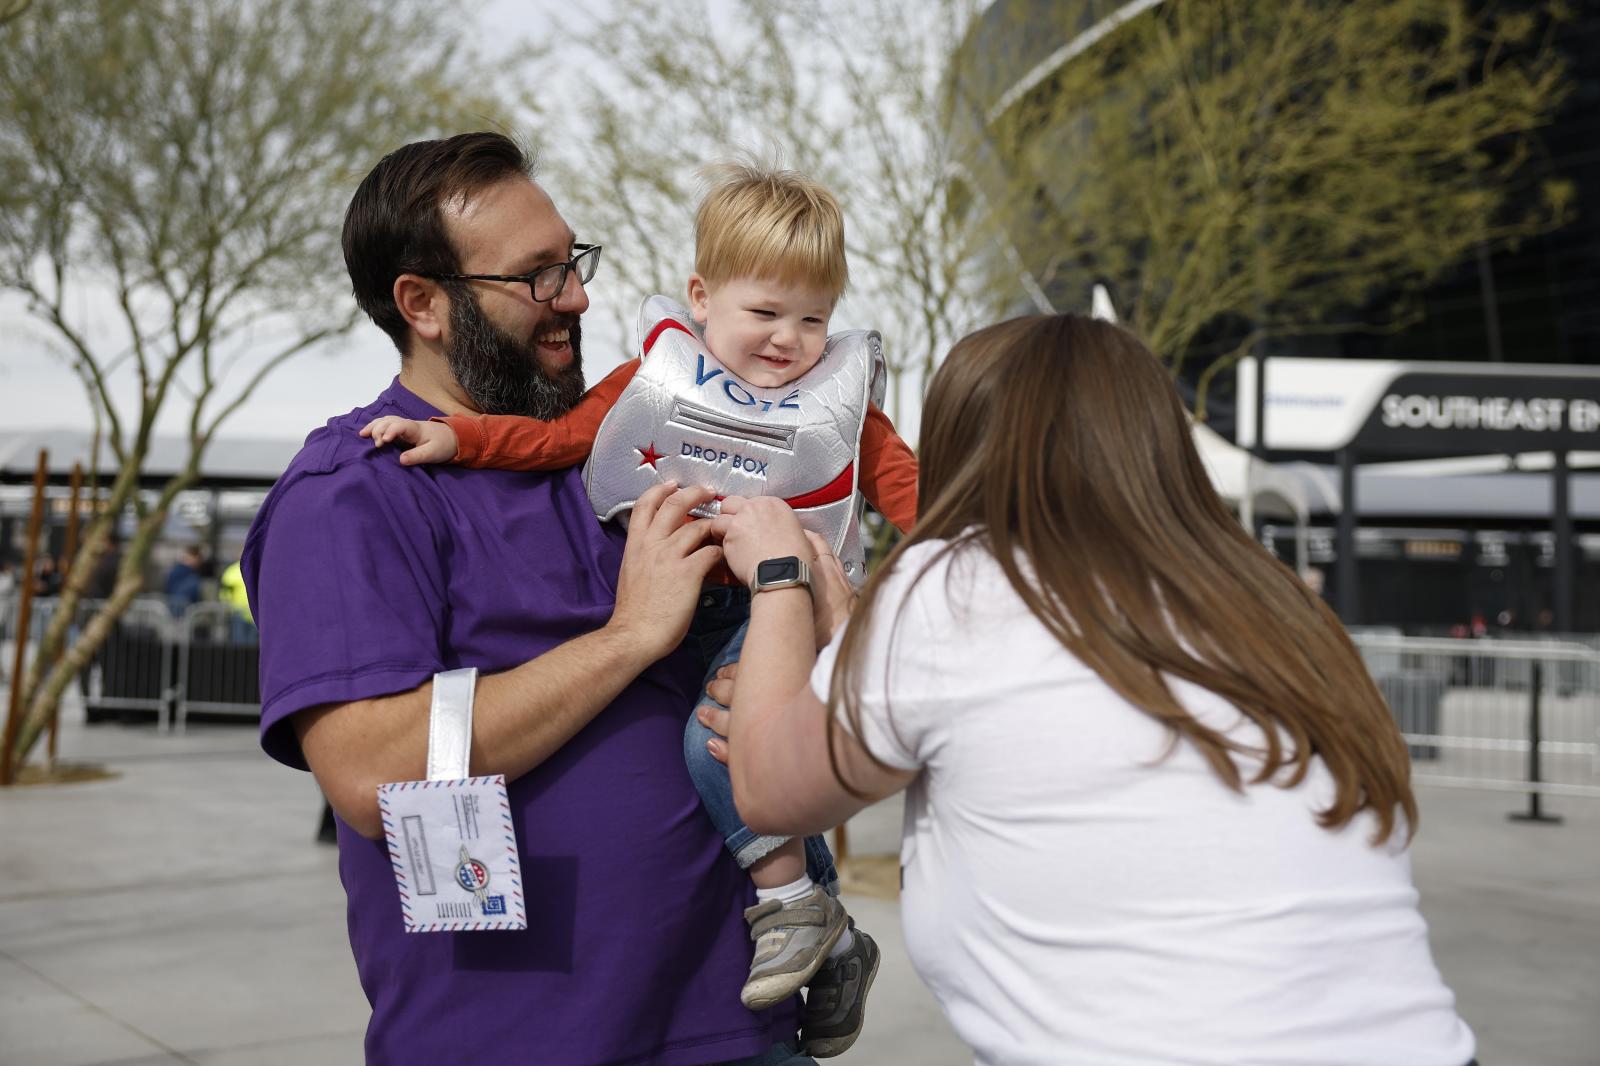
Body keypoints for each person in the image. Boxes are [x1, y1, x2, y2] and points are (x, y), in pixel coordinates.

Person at [705, 314, 1478, 1065]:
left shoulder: (959, 584)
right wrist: (858, 638)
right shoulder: (1271, 601)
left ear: (965, 447)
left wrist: (779, 574)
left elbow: (772, 791)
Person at [241, 132, 818, 1065]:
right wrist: (628, 637)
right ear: (423, 304)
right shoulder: (353, 493)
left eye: (573, 262)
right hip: (519, 1042)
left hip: (736, 1024)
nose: (576, 298)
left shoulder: (624, 460)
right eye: (537, 276)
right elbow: (370, 770)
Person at [359, 162, 913, 1034]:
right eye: (766, 313)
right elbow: (556, 439)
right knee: (723, 741)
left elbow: (922, 501)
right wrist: (458, 438)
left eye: (814, 320)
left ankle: (794, 905)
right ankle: (833, 933)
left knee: (717, 742)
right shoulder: (653, 379)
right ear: (702, 297)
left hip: (780, 604)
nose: (789, 339)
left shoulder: (842, 408)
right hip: (685, 612)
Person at [163, 545, 202, 618]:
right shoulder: (188, 576)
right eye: (198, 559)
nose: (199, 562)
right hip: (181, 612)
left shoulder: (176, 571)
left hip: (178, 612)